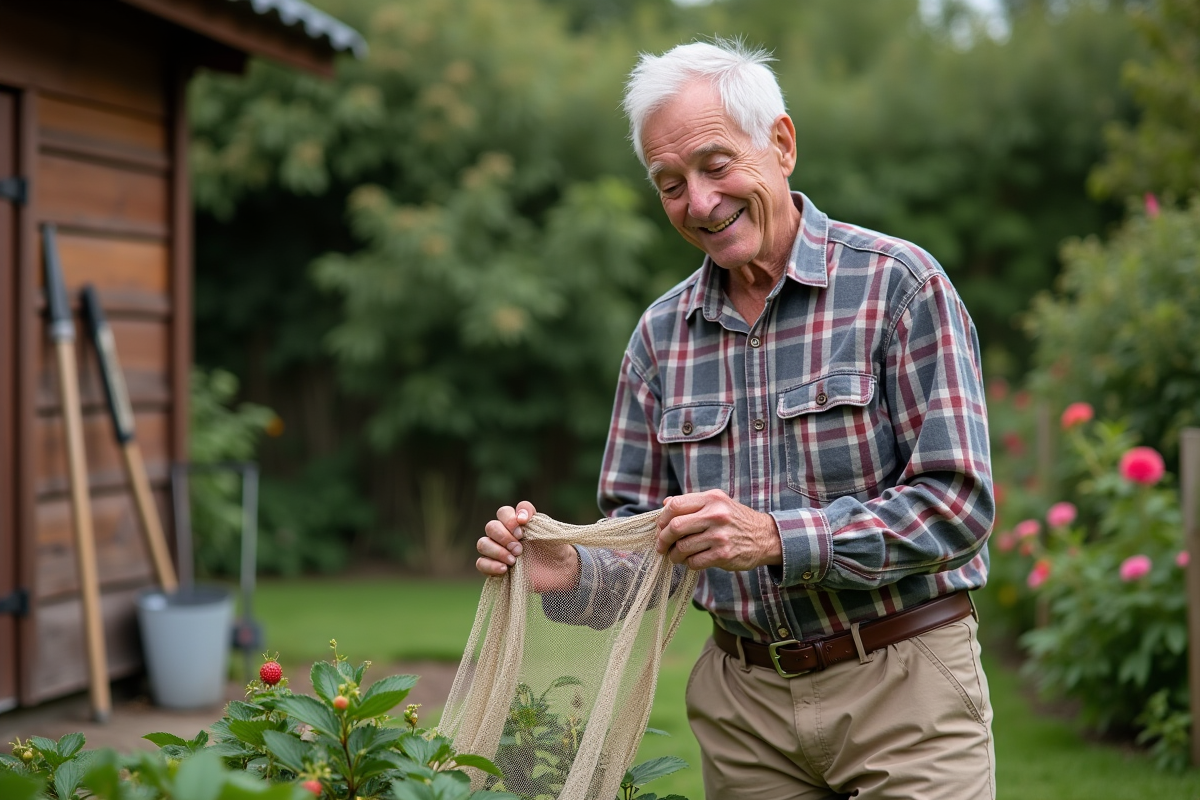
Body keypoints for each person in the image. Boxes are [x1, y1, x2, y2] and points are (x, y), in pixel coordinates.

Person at [476, 39, 995, 800]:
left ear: (781, 144)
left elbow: (958, 505)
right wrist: (572, 567)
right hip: (742, 707)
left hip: (904, 683)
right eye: (670, 184)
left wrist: (779, 539)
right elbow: (648, 552)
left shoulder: (900, 287)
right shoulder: (659, 339)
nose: (700, 201)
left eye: (716, 165)